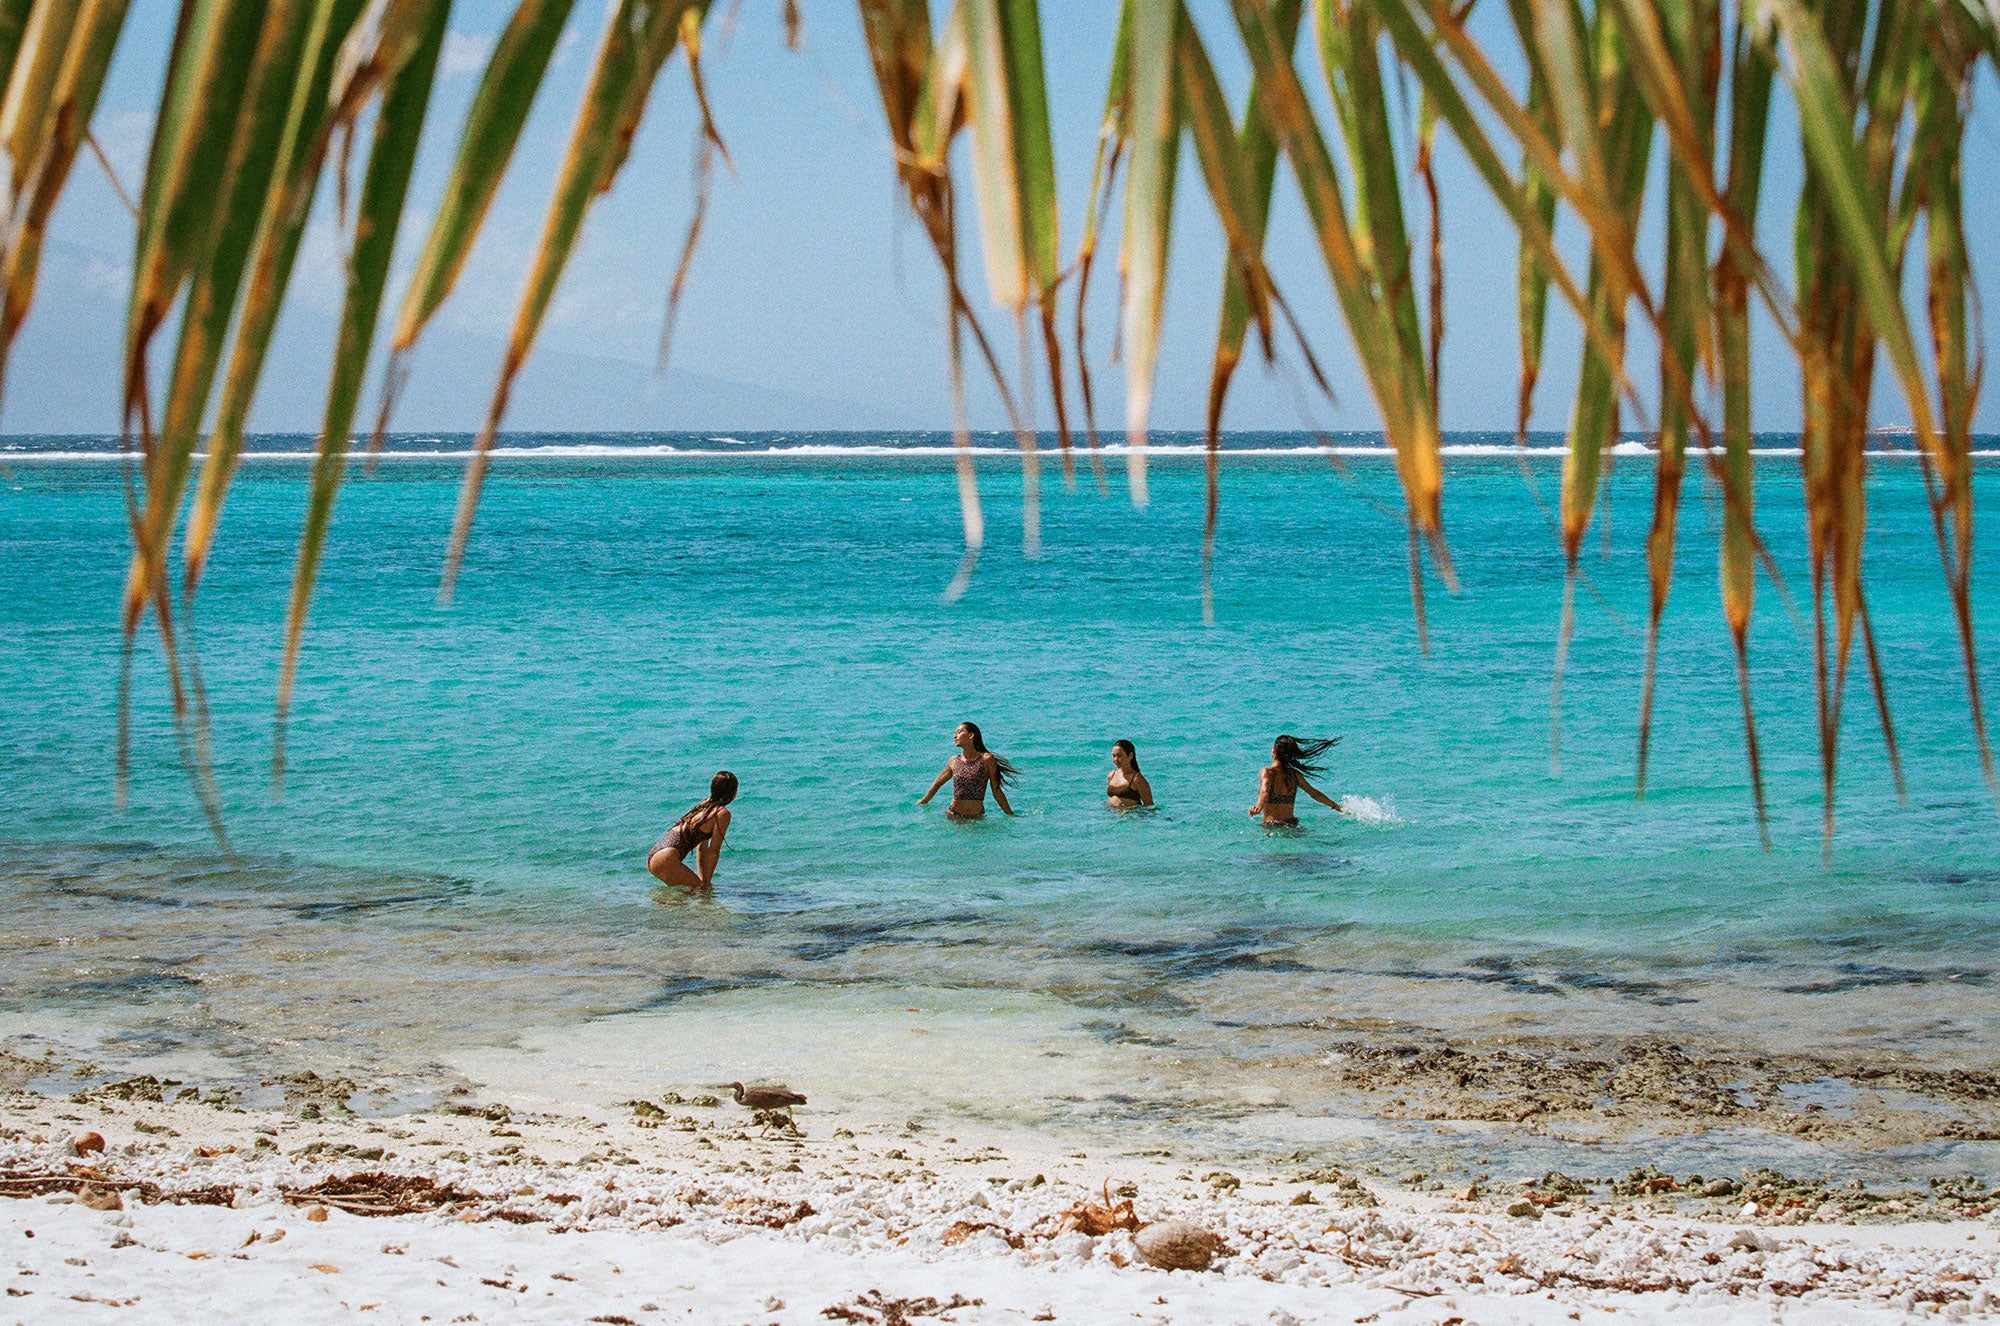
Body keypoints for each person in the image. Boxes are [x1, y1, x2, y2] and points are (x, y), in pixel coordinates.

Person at [648, 771, 738, 888]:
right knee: (699, 891)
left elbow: (701, 847)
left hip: (657, 854)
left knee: (686, 896)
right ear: (733, 792)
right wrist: (705, 885)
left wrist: (704, 880)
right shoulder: (721, 813)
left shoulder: (705, 805)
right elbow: (713, 852)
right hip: (667, 859)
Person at [918, 722, 1017, 818]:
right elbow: (937, 784)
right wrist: (923, 801)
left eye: (959, 732)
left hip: (977, 817)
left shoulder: (987, 759)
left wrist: (1011, 815)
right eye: (955, 733)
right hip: (953, 815)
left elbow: (996, 791)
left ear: (971, 735)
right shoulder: (954, 761)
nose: (955, 736)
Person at [1249, 735, 1343, 825]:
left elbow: (1264, 792)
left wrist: (1258, 807)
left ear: (1274, 752)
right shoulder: (1295, 775)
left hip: (1272, 825)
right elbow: (1313, 793)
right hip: (1291, 824)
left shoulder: (1267, 772)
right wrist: (1336, 806)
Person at [1106, 739, 1154, 808]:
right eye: (1114, 756)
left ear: (1130, 756)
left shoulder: (1137, 779)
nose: (1116, 759)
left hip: (1131, 816)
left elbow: (1150, 806)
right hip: (1111, 816)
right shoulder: (1111, 775)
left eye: (1119, 756)